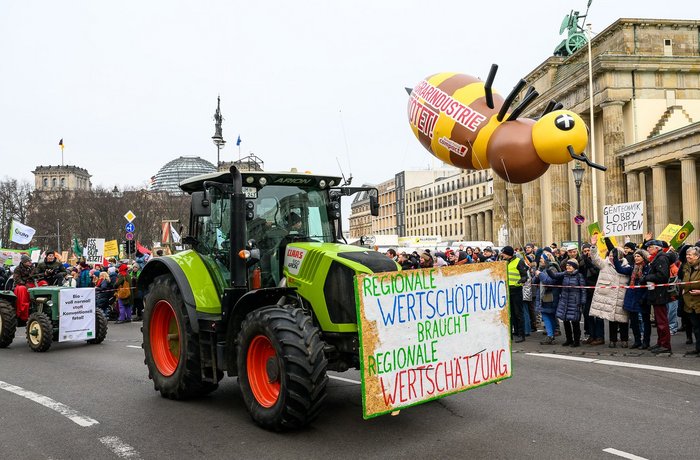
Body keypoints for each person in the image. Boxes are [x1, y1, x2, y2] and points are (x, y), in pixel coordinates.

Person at [588, 235, 630, 348]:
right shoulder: (604, 264)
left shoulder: (627, 265)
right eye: (610, 254)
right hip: (610, 296)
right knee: (612, 319)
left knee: (623, 320)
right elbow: (595, 258)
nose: (611, 256)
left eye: (613, 255)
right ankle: (613, 340)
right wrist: (593, 246)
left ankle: (624, 340)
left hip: (622, 296)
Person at [612, 248, 650, 349]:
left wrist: (644, 297)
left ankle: (646, 342)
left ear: (643, 257)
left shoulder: (648, 268)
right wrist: (615, 258)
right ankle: (637, 341)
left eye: (638, 256)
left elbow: (649, 285)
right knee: (634, 321)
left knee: (646, 320)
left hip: (643, 296)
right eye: (635, 256)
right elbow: (620, 269)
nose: (636, 258)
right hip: (632, 296)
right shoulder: (632, 267)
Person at [641, 240, 672, 354]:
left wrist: (647, 277)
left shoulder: (661, 258)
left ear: (657, 248)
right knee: (659, 321)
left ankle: (665, 344)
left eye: (650, 247)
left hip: (660, 293)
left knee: (662, 321)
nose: (648, 249)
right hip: (656, 293)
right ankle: (660, 342)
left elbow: (662, 275)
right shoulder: (657, 258)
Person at [550, 259, 586, 347]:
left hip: (575, 301)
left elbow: (583, 289)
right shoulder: (565, 274)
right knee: (565, 321)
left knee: (575, 322)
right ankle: (569, 339)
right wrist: (548, 267)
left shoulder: (579, 276)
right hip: (565, 300)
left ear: (575, 267)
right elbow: (554, 275)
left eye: (570, 265)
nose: (568, 267)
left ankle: (576, 341)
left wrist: (582, 301)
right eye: (567, 265)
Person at [500, 246, 528, 343]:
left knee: (518, 313)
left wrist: (521, 281)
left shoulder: (518, 261)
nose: (502, 255)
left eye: (503, 253)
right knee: (510, 314)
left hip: (516, 290)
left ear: (508, 254)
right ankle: (513, 332)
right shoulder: (504, 262)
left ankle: (521, 334)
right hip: (507, 290)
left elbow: (525, 275)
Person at [534, 251, 561, 344]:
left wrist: (540, 274)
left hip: (551, 295)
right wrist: (537, 272)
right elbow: (534, 281)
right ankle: (551, 335)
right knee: (546, 315)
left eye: (541, 259)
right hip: (544, 296)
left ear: (546, 259)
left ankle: (550, 335)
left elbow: (549, 281)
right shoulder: (542, 268)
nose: (540, 260)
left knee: (548, 315)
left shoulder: (553, 268)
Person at [13, 255, 48, 323]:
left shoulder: (32, 267)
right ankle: (23, 314)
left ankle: (45, 303)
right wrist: (25, 284)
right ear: (24, 262)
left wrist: (44, 274)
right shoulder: (18, 269)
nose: (30, 262)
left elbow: (37, 275)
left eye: (30, 261)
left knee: (43, 282)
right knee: (22, 289)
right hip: (21, 284)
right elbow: (17, 279)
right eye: (28, 261)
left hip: (31, 283)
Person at [680, 246, 700, 355]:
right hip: (690, 302)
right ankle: (698, 348)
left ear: (697, 256)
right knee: (696, 328)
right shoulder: (687, 267)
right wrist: (684, 289)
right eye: (687, 255)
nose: (687, 257)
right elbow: (685, 281)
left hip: (698, 301)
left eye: (690, 255)